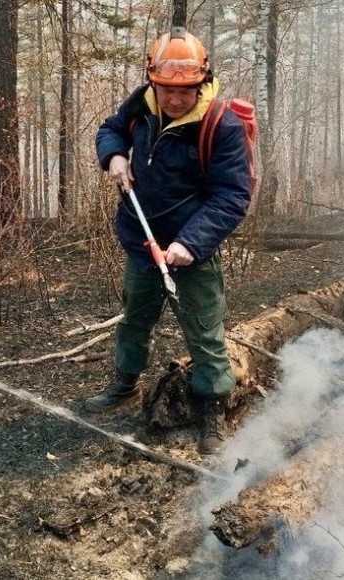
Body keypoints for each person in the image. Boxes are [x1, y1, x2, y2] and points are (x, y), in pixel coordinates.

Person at [84, 27, 251, 456]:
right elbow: (111, 129)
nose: (175, 99)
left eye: (186, 90)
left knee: (204, 331)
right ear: (153, 80)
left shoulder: (222, 125)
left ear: (202, 82)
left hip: (190, 252)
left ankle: (211, 408)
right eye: (167, 89)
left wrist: (190, 243)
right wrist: (114, 154)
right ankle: (124, 385)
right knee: (134, 319)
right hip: (141, 243)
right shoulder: (143, 103)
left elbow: (232, 196)